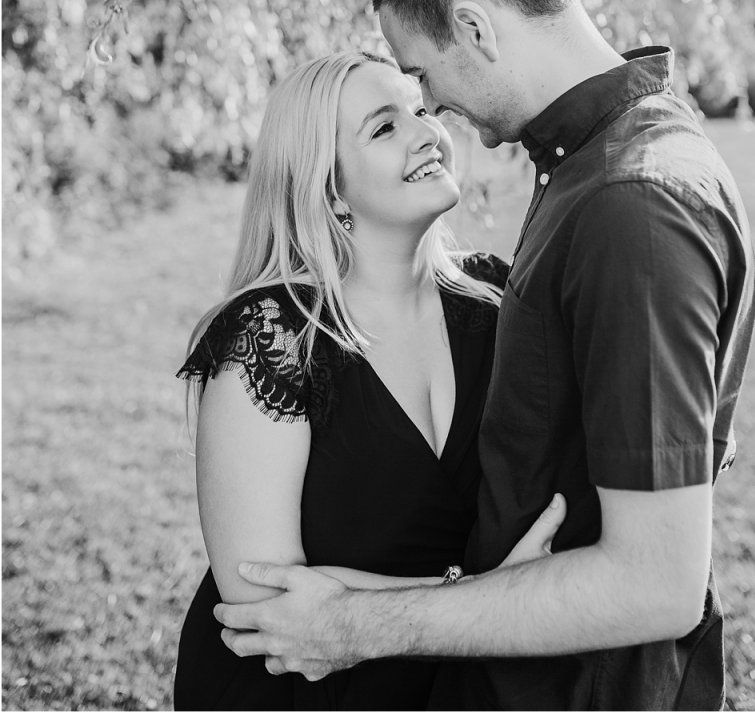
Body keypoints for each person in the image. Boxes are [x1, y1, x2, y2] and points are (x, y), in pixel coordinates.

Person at [218, 0, 755, 713]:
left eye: (423, 79)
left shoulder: (630, 204)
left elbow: (657, 580)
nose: (434, 112)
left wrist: (364, 622)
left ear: (475, 28)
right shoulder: (585, 175)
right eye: (389, 118)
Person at [174, 49, 559, 711]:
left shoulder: (498, 298)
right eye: (384, 128)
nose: (426, 132)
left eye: (417, 110)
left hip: (450, 690)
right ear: (328, 187)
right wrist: (487, 601)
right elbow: (262, 603)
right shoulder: (272, 334)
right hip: (295, 691)